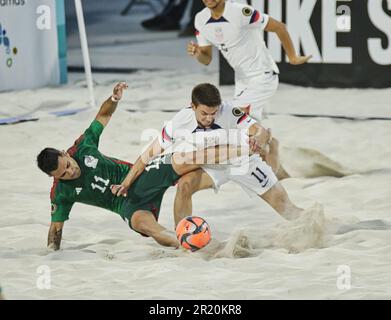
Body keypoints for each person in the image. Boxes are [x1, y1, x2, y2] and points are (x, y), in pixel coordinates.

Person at [37, 83, 256, 250]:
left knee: (183, 157)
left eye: (68, 164)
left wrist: (114, 98)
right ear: (53, 177)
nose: (71, 171)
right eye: (63, 174)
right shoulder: (60, 193)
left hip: (141, 178)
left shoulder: (83, 147)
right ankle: (188, 245)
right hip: (126, 206)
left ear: (66, 154)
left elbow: (103, 115)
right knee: (148, 227)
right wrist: (51, 255)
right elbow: (56, 229)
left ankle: (244, 149)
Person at [114, 83, 304, 227]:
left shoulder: (229, 110)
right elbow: (149, 154)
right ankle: (184, 237)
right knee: (185, 186)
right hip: (214, 166)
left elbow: (259, 130)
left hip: (243, 161)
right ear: (192, 106)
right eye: (204, 113)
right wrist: (126, 182)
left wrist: (259, 140)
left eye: (213, 113)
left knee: (288, 210)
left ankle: (326, 225)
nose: (210, 118)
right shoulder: (180, 120)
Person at [187, 0, 312, 179]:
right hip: (243, 81)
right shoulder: (200, 19)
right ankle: (282, 173)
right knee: (250, 130)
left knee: (233, 118)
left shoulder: (241, 12)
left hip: (263, 76)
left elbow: (279, 27)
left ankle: (271, 151)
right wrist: (198, 53)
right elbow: (206, 59)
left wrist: (292, 57)